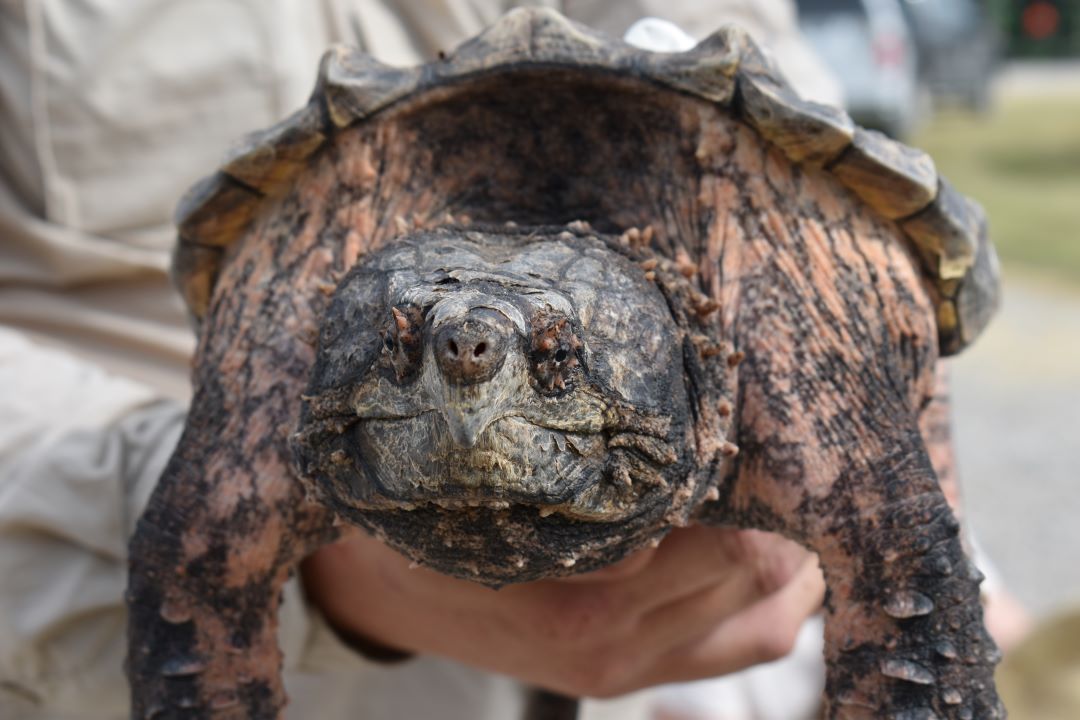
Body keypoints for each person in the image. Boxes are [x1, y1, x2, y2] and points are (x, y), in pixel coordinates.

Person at [0, 2, 1012, 720]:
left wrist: (954, 563)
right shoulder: (303, 257)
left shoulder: (764, 256)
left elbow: (911, 457)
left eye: (558, 361)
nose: (466, 361)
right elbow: (188, 553)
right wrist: (196, 519)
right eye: (407, 351)